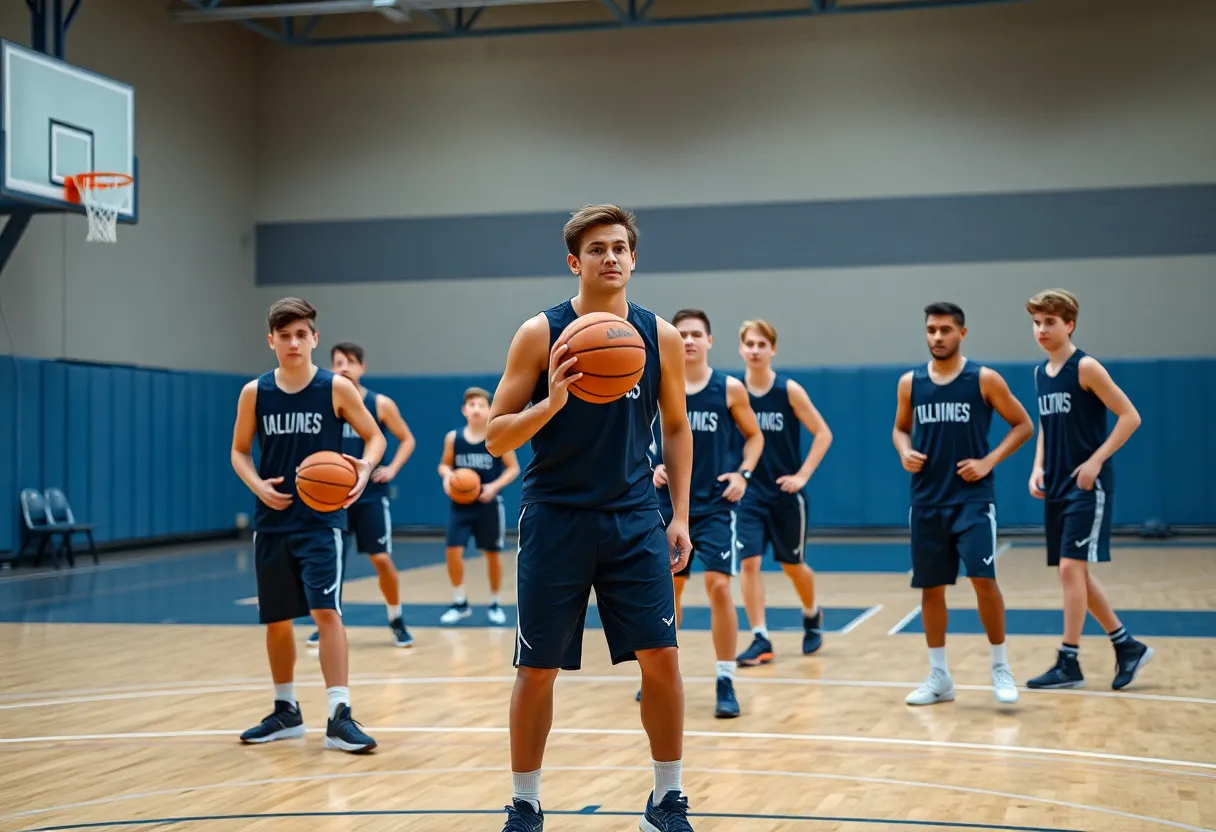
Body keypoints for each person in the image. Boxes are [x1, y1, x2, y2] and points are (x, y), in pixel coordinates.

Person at [484, 204, 695, 832]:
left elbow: (678, 428)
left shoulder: (660, 337)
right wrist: (551, 402)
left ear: (634, 258)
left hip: (634, 516)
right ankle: (525, 801)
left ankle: (667, 799)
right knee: (537, 666)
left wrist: (679, 514)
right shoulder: (539, 333)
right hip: (555, 517)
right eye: (597, 248)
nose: (611, 257)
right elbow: (497, 436)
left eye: (620, 247)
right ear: (575, 262)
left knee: (662, 658)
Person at [230, 297, 384, 754]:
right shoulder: (254, 393)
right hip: (272, 520)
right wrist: (258, 485)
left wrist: (362, 469)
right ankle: (286, 711)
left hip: (322, 521)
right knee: (276, 619)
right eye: (285, 335)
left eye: (302, 334)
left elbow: (374, 436)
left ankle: (340, 714)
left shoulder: (336, 387)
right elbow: (239, 451)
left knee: (326, 612)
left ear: (315, 338)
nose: (294, 342)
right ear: (271, 341)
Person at [892, 302, 1032, 706]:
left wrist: (989, 460)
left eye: (946, 330)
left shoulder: (983, 379)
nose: (938, 336)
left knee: (983, 581)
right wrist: (904, 450)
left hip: (972, 500)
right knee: (931, 589)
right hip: (926, 502)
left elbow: (1023, 424)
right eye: (932, 329)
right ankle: (939, 676)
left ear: (962, 334)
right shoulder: (910, 382)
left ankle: (1000, 667)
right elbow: (900, 429)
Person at [1024, 289, 1154, 690]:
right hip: (1058, 484)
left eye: (1049, 322)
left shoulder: (1086, 368)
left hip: (1088, 484)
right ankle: (1126, 645)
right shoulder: (1039, 373)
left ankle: (1069, 661)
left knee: (1069, 569)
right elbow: (1046, 425)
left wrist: (1097, 460)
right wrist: (1037, 466)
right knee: (1074, 573)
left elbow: (1130, 417)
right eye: (1036, 322)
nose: (1041, 329)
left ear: (1069, 324)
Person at [648, 308, 763, 718]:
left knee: (718, 585)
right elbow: (642, 439)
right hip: (668, 505)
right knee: (669, 591)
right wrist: (653, 466)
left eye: (697, 334)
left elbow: (754, 437)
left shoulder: (729, 389)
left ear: (710, 341)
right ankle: (662, 674)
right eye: (682, 334)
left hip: (715, 506)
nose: (690, 340)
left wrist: (743, 474)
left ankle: (725, 677)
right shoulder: (661, 386)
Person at [732, 319, 834, 667]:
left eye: (762, 344)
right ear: (741, 348)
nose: (756, 350)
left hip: (784, 493)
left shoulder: (788, 390)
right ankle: (760, 637)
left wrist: (802, 475)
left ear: (773, 349)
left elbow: (823, 433)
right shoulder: (733, 391)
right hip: (747, 494)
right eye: (750, 344)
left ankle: (812, 613)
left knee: (793, 566)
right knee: (749, 562)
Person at [305, 342, 416, 650]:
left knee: (380, 558)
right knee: (332, 561)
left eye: (350, 362)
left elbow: (407, 439)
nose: (344, 367)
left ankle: (397, 619)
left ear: (362, 368)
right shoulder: (324, 403)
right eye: (338, 362)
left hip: (369, 495)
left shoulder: (379, 403)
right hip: (333, 497)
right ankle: (327, 623)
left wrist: (391, 468)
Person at [437, 386, 520, 626]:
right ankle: (460, 602)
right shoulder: (454, 438)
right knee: (453, 551)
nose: (476, 409)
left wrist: (493, 487)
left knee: (492, 555)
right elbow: (443, 465)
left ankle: (494, 602)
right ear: (464, 410)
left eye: (481, 405)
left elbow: (513, 468)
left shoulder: (497, 437)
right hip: (460, 506)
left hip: (489, 505)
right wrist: (447, 478)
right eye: (471, 405)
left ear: (489, 410)